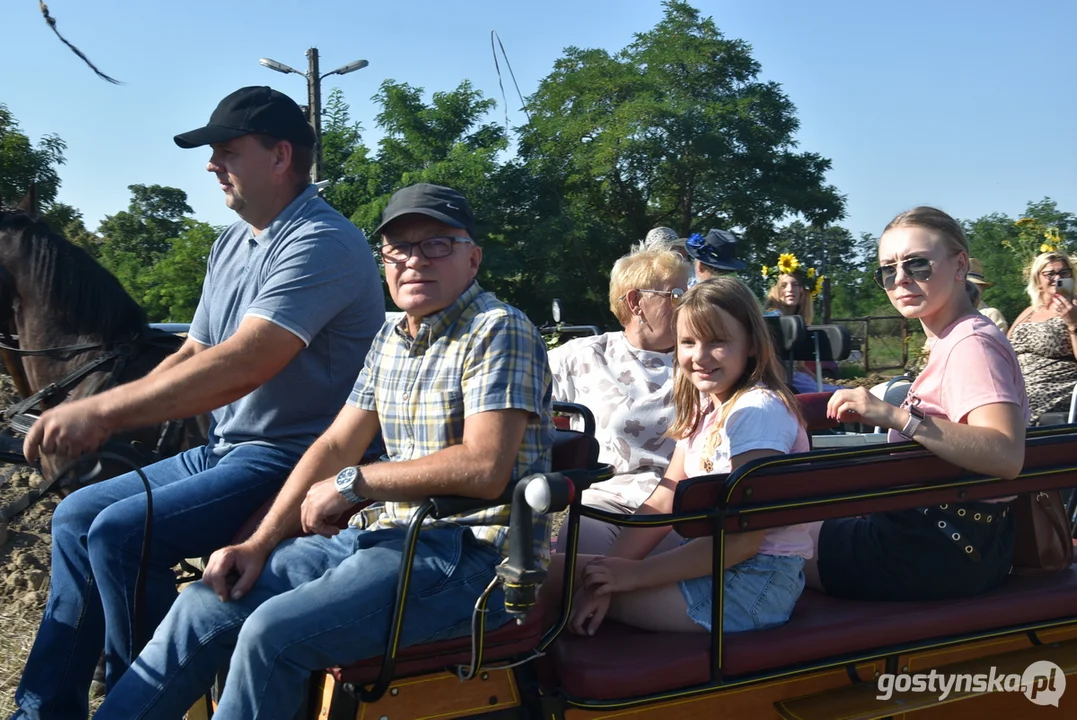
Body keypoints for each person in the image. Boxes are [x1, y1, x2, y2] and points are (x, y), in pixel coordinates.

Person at [92, 183, 556, 720]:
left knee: (273, 632)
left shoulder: (498, 329)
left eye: (437, 245)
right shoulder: (392, 339)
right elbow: (336, 442)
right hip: (382, 540)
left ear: (472, 258)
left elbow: (485, 468)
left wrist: (355, 483)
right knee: (205, 602)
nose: (414, 261)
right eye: (399, 248)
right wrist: (260, 543)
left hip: (472, 559)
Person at [10, 86, 386, 719]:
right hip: (227, 449)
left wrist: (102, 412)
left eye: (227, 151)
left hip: (295, 457)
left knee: (119, 535)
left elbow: (247, 361)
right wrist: (104, 406)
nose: (212, 164)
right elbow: (193, 352)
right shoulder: (232, 242)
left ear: (279, 156)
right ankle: (45, 710)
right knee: (75, 516)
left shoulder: (322, 242)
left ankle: (141, 704)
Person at [562, 277, 810, 636]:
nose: (699, 356)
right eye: (688, 342)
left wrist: (628, 577)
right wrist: (613, 571)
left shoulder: (756, 413)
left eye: (718, 342)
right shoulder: (708, 409)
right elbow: (664, 499)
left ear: (753, 344)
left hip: (752, 585)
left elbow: (743, 540)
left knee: (550, 582)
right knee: (559, 571)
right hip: (718, 564)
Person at [805, 207, 1028, 601]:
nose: (901, 279)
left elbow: (1005, 453)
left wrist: (892, 415)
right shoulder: (959, 338)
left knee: (774, 538)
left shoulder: (970, 344)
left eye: (918, 264)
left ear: (960, 265)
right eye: (888, 270)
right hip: (965, 548)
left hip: (929, 551)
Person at [549, 246, 690, 553]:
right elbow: (514, 384)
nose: (688, 304)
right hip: (606, 504)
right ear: (635, 302)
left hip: (684, 506)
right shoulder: (584, 356)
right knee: (574, 569)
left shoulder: (701, 360)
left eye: (690, 292)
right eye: (676, 294)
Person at [1007, 251, 1077, 424]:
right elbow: (1006, 347)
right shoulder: (1029, 312)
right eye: (1050, 273)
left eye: (1064, 272)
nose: (1057, 277)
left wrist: (1072, 325)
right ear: (1038, 280)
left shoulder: (1075, 308)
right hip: (1016, 387)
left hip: (1053, 390)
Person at [966, 257, 1008, 333]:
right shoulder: (947, 315)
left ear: (981, 289)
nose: (968, 289)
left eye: (972, 285)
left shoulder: (991, 315)